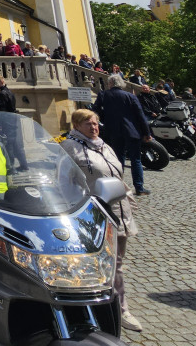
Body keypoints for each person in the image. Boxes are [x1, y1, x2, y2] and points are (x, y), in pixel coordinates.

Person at [61, 109, 142, 331]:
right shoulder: (70, 147)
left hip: (118, 209)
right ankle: (113, 309)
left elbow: (117, 176)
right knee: (102, 263)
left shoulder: (103, 145)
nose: (94, 127)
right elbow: (64, 182)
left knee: (117, 263)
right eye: (88, 124)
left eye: (95, 123)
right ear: (76, 126)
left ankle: (117, 306)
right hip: (92, 213)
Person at [93, 75, 153, 196]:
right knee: (136, 160)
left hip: (113, 131)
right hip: (132, 131)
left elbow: (95, 111)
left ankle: (118, 187)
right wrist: (147, 133)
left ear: (109, 83)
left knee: (118, 160)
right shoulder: (130, 96)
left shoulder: (103, 95)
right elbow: (140, 116)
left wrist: (104, 120)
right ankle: (139, 188)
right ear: (121, 84)